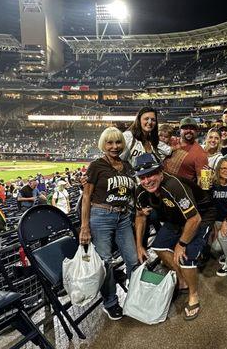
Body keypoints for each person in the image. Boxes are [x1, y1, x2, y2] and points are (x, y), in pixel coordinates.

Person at [134, 153, 216, 321]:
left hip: (201, 215)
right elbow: (140, 216)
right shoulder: (141, 191)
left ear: (160, 171)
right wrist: (139, 246)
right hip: (176, 218)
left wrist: (181, 243)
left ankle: (193, 295)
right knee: (159, 247)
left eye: (151, 174)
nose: (147, 180)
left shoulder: (173, 185)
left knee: (186, 257)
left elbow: (194, 219)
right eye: (142, 177)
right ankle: (182, 280)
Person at [79, 127, 138, 321]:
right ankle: (111, 303)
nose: (114, 146)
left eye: (118, 142)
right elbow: (86, 196)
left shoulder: (127, 165)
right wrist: (84, 226)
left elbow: (130, 193)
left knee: (132, 259)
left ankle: (135, 295)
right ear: (103, 145)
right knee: (105, 262)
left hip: (123, 217)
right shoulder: (96, 166)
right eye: (110, 143)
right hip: (100, 215)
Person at [163, 117, 208, 183]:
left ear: (197, 131)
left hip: (181, 191)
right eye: (185, 128)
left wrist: (207, 180)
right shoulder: (170, 141)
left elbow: (203, 182)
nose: (188, 131)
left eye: (192, 128)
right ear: (180, 130)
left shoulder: (200, 153)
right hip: (160, 187)